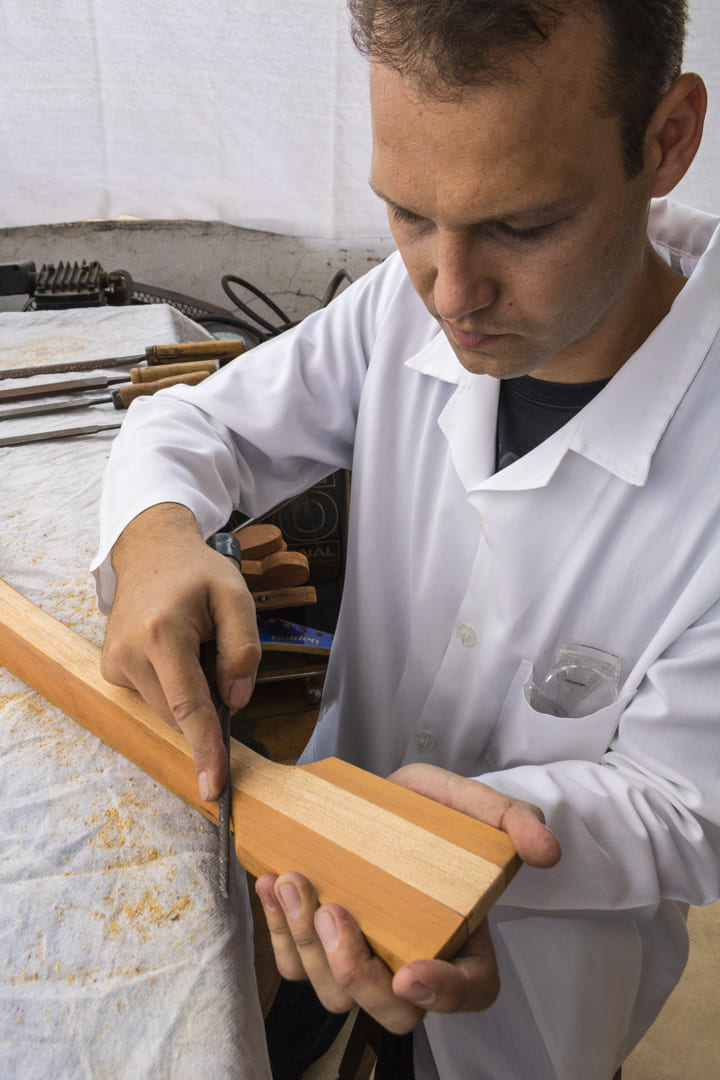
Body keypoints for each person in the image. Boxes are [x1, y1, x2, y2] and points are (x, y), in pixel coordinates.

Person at [92, 1, 720, 1077]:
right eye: (407, 214)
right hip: (306, 872)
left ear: (665, 140)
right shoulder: (401, 308)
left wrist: (486, 848)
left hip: (529, 981)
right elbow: (199, 423)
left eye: (523, 227)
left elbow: (687, 802)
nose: (452, 293)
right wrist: (155, 536)